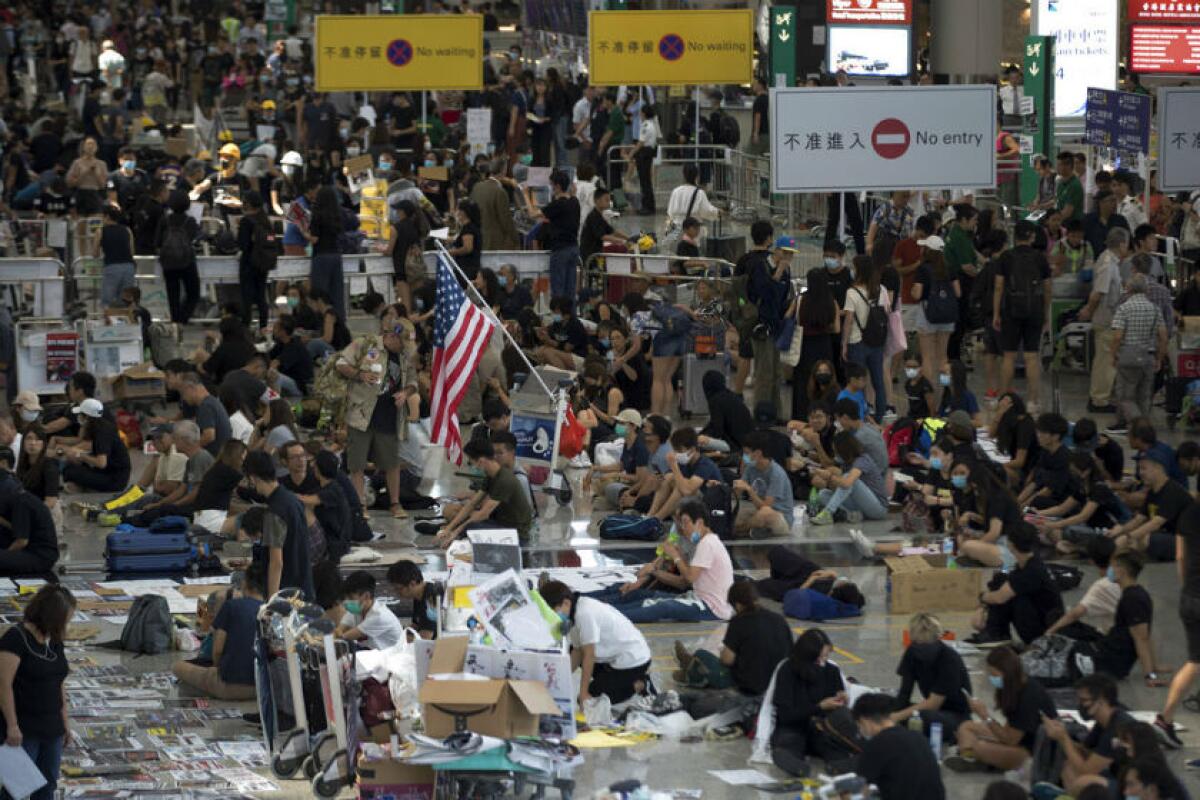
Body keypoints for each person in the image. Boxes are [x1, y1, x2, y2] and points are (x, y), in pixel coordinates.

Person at [0, 583, 76, 800]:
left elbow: (58, 681)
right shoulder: (15, 638)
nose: (67, 626)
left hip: (51, 726)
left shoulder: (54, 640)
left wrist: (65, 722)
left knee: (48, 782)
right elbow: (3, 685)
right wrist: (12, 726)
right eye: (66, 620)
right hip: (24, 727)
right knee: (17, 787)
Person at [608, 500, 733, 623]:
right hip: (699, 598)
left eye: (685, 523)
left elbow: (689, 578)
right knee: (645, 596)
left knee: (664, 607)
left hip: (711, 608)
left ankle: (610, 617)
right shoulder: (704, 542)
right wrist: (674, 557)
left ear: (699, 522)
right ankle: (608, 611)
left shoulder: (708, 543)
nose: (683, 528)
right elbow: (684, 579)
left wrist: (676, 556)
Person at [336, 324, 414, 519]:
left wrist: (405, 393)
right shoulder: (366, 345)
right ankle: (360, 504)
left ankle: (395, 503)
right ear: (391, 337)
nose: (404, 348)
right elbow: (341, 363)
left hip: (389, 416)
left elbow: (412, 382)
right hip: (361, 415)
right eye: (402, 343)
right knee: (357, 463)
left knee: (391, 462)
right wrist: (360, 375)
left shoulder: (404, 356)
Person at [946, 645, 1057, 774]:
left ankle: (980, 757)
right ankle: (973, 759)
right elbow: (1008, 728)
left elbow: (1010, 740)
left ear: (1006, 672)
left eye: (994, 674)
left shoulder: (1029, 696)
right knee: (966, 726)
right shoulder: (1016, 687)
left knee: (980, 747)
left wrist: (985, 716)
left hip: (1027, 752)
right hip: (1014, 739)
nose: (991, 678)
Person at [541, 580, 652, 706]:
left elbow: (589, 655)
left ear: (566, 603)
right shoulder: (573, 612)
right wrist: (556, 679)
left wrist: (584, 694)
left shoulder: (584, 613)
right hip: (613, 656)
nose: (554, 617)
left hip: (635, 660)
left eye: (554, 611)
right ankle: (615, 680)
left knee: (591, 700)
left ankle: (641, 684)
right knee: (572, 650)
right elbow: (578, 651)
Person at [674, 582, 792, 694]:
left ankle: (688, 671)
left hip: (748, 684)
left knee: (702, 655)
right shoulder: (779, 619)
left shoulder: (739, 621)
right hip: (776, 681)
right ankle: (688, 663)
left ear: (738, 604)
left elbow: (727, 659)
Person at [171, 561, 264, 700]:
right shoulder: (271, 610)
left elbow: (217, 650)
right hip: (263, 688)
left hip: (230, 685)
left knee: (177, 667)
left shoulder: (231, 606)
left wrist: (217, 667)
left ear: (245, 583)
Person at [770, 629, 852, 776]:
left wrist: (841, 699)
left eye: (826, 657)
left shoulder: (831, 670)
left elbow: (835, 707)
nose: (823, 662)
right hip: (794, 726)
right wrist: (818, 707)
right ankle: (797, 766)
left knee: (835, 747)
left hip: (820, 727)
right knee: (789, 743)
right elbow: (785, 715)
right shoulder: (788, 671)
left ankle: (840, 766)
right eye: (819, 658)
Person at [1039, 673, 1136, 797]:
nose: (1080, 705)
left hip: (1135, 790)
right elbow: (1085, 751)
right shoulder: (1104, 722)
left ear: (1101, 701)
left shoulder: (1118, 728)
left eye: (1084, 700)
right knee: (1068, 766)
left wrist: (1063, 739)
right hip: (1117, 775)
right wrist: (1062, 735)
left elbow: (1086, 770)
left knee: (1085, 781)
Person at [969, 522, 1064, 646]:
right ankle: (996, 633)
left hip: (1043, 634)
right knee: (1001, 579)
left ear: (1011, 545)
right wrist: (984, 606)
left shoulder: (1031, 570)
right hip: (1043, 621)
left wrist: (981, 599)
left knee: (1012, 594)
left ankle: (996, 634)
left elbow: (999, 598)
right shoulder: (1030, 562)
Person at [240, 452, 315, 600]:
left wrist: (272, 601)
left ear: (253, 478)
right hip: (304, 585)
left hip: (287, 593)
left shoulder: (274, 512)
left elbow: (276, 562)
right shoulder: (292, 499)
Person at [993, 220, 1051, 409]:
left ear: (1014, 236)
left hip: (1011, 310)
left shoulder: (1006, 257)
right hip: (1034, 310)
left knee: (1008, 355)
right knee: (1032, 356)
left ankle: (1004, 398)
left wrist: (996, 313)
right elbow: (1048, 288)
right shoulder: (1040, 258)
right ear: (1032, 237)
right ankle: (1033, 400)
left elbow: (999, 286)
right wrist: (1045, 313)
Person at [1157, 502, 1200, 748]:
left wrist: (1186, 589)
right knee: (1195, 663)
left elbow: (1180, 556)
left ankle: (1166, 719)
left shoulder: (1188, 513)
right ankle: (1165, 718)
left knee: (1194, 660)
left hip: (1191, 596)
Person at [435, 439, 534, 546]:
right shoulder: (491, 475)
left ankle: (458, 538)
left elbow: (484, 513)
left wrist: (456, 531)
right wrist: (449, 529)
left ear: (481, 461)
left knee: (471, 526)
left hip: (516, 534)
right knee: (458, 514)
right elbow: (472, 504)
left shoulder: (504, 479)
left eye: (471, 460)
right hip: (500, 522)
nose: (471, 464)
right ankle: (450, 533)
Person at [893, 613, 972, 743]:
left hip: (955, 715)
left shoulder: (949, 659)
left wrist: (896, 717)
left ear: (937, 640)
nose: (922, 650)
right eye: (919, 645)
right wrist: (893, 711)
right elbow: (904, 692)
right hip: (933, 709)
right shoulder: (912, 652)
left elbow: (934, 703)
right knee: (886, 703)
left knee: (923, 718)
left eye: (927, 645)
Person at [851, 693, 946, 800]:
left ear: (864, 721)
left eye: (859, 726)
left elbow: (859, 791)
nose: (860, 731)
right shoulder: (918, 737)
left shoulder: (876, 744)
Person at [1106, 449, 1193, 562]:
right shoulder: (1153, 491)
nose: (1140, 473)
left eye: (1144, 468)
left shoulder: (1172, 491)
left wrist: (1128, 537)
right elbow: (1139, 519)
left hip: (1190, 543)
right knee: (1135, 536)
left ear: (1158, 468)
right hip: (1173, 536)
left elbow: (1155, 523)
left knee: (1144, 538)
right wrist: (1121, 530)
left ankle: (1120, 562)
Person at [1080, 227, 1130, 414]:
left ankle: (1101, 395)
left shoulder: (1110, 261)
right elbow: (1098, 293)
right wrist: (1088, 310)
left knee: (1106, 359)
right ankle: (1099, 400)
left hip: (1110, 318)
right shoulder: (1108, 263)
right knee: (1105, 361)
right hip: (1106, 319)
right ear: (1122, 243)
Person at [1110, 274, 1169, 433]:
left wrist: (1113, 354)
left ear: (1128, 288)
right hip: (1148, 356)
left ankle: (1140, 427)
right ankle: (1144, 430)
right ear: (1146, 289)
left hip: (1128, 354)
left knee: (1125, 397)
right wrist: (1159, 358)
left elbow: (1117, 336)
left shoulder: (1124, 308)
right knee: (1144, 396)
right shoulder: (1155, 309)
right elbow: (1163, 337)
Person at [747, 231, 795, 418]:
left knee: (776, 373)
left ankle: (776, 412)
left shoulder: (786, 271)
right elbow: (765, 294)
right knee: (764, 374)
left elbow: (782, 299)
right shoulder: (762, 267)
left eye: (791, 253)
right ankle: (761, 413)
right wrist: (778, 273)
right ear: (777, 251)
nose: (788, 257)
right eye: (786, 252)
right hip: (761, 326)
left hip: (776, 327)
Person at [842, 254, 890, 421]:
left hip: (857, 341)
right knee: (878, 382)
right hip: (876, 341)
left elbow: (848, 321)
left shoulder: (852, 292)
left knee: (858, 382)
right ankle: (880, 416)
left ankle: (861, 416)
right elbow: (887, 313)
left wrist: (844, 345)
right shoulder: (881, 289)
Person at [910, 234, 960, 388]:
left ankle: (929, 391)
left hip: (927, 314)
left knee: (928, 358)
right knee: (943, 357)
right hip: (947, 316)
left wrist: (912, 291)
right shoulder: (949, 267)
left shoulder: (923, 269)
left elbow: (917, 294)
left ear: (928, 251)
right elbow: (958, 293)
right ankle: (946, 390)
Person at [810, 430, 888, 525]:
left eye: (836, 451)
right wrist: (825, 482)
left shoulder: (862, 460)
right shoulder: (846, 464)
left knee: (849, 479)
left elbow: (847, 483)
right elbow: (841, 488)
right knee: (823, 494)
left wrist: (830, 477)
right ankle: (849, 515)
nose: (836, 455)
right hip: (861, 505)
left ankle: (828, 512)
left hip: (878, 508)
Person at [60, 398, 130, 493]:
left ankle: (84, 488)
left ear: (87, 417)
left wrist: (80, 455)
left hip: (115, 480)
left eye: (81, 415)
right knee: (75, 464)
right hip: (111, 472)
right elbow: (86, 442)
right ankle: (84, 486)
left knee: (69, 471)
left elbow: (101, 463)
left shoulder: (102, 433)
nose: (79, 417)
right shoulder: (103, 426)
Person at [734, 431, 795, 538]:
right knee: (735, 515)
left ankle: (739, 530)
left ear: (758, 453)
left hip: (780, 518)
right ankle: (755, 530)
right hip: (759, 513)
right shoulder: (750, 468)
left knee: (765, 513)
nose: (744, 456)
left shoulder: (777, 473)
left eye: (746, 453)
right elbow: (736, 495)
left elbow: (765, 506)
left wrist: (749, 490)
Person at [156, 189, 200, 324]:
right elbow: (196, 238)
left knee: (172, 294)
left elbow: (157, 241)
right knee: (193, 293)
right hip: (187, 261)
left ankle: (175, 322)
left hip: (168, 262)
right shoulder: (190, 221)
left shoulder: (165, 220)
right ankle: (183, 318)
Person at [538, 170, 581, 301]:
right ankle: (570, 317)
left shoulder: (557, 204)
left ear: (556, 186)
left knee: (558, 290)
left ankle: (559, 318)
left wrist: (523, 193)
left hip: (560, 250)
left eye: (551, 185)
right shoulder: (574, 202)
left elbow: (535, 214)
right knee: (570, 290)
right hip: (573, 247)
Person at [336, 571, 405, 651]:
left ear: (366, 596)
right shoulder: (357, 610)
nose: (346, 602)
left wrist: (330, 638)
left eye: (351, 598)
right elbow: (339, 630)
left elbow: (343, 638)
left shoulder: (379, 616)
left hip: (391, 659)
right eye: (345, 598)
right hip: (371, 653)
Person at [235, 189, 273, 330]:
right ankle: (263, 327)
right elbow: (271, 238)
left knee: (247, 298)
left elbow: (242, 244)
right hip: (263, 262)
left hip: (248, 263)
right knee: (261, 296)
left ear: (248, 204)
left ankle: (246, 327)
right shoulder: (265, 220)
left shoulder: (246, 221)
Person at [309, 185, 347, 320]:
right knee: (337, 295)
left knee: (320, 296)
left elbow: (314, 239)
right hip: (336, 255)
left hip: (321, 256)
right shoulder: (338, 214)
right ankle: (340, 325)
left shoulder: (317, 214)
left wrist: (303, 231)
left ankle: (323, 325)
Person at [388, 561, 444, 640]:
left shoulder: (431, 598)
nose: (397, 593)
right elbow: (416, 624)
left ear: (412, 584)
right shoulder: (418, 595)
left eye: (399, 589)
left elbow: (425, 638)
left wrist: (397, 639)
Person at [180, 373, 232, 457]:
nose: (183, 398)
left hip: (214, 458)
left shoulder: (206, 406)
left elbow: (209, 436)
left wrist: (191, 449)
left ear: (190, 388)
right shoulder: (211, 401)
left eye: (183, 393)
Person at [94, 204, 136, 308]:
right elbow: (132, 251)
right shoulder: (127, 230)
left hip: (111, 266)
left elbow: (95, 253)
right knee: (126, 301)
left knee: (107, 301)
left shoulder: (101, 231)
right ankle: (125, 322)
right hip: (128, 267)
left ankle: (108, 322)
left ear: (107, 216)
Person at [627, 104, 660, 215]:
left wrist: (631, 153)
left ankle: (647, 207)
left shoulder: (645, 125)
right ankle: (649, 206)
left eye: (641, 112)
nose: (640, 114)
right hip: (648, 154)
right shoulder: (652, 124)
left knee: (645, 182)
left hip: (644, 154)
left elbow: (640, 142)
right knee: (646, 182)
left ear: (644, 113)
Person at [1057, 151, 1084, 222]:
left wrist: (1052, 221)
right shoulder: (1061, 183)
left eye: (1064, 164)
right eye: (1059, 164)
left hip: (1072, 227)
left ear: (1071, 166)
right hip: (1062, 224)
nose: (1061, 167)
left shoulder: (1074, 185)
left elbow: (1067, 213)